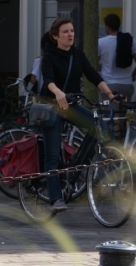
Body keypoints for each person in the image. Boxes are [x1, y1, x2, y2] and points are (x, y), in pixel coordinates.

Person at [37, 16, 117, 212]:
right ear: (56, 36)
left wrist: (110, 93)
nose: (70, 34)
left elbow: (93, 75)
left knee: (99, 125)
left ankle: (78, 164)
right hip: (51, 106)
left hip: (70, 106)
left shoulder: (77, 55)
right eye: (65, 31)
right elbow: (48, 79)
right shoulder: (48, 56)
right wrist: (57, 92)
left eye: (71, 31)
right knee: (52, 154)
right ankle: (56, 199)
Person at [96, 13, 136, 104]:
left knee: (110, 115)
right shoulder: (130, 41)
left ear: (107, 27)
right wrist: (133, 75)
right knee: (122, 114)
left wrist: (102, 67)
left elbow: (93, 64)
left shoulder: (101, 43)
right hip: (126, 85)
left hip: (109, 85)